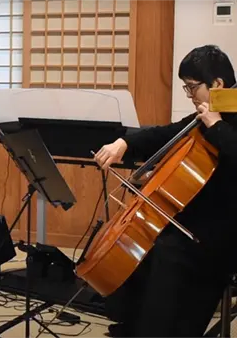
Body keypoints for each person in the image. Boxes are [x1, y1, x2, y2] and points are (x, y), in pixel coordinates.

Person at [94, 45, 237, 338]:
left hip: (224, 232)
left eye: (192, 87)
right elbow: (166, 133)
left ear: (218, 85)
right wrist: (126, 143)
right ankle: (134, 326)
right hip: (196, 222)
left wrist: (218, 127)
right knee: (147, 246)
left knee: (168, 253)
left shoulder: (220, 118)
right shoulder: (207, 115)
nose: (190, 95)